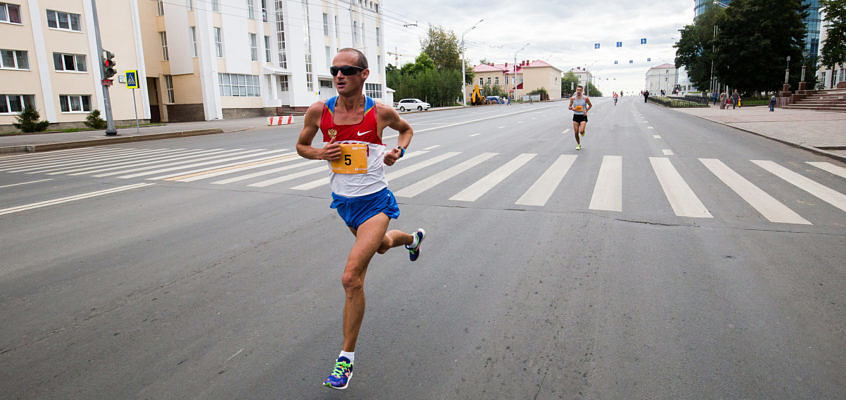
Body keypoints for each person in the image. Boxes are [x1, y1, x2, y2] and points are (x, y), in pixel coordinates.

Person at [296, 48, 426, 390]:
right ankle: (411, 240)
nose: (339, 75)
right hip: (344, 204)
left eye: (348, 70)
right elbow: (301, 146)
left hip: (376, 203)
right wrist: (319, 152)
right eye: (335, 70)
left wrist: (399, 151)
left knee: (351, 277)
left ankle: (345, 361)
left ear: (364, 75)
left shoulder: (380, 112)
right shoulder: (318, 111)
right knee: (382, 246)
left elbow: (407, 130)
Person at [568, 85, 592, 150]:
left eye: (580, 90)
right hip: (575, 116)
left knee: (581, 131)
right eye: (577, 90)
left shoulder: (585, 98)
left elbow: (590, 105)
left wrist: (586, 111)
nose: (578, 91)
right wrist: (572, 108)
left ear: (582, 91)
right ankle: (578, 144)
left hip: (583, 116)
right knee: (576, 132)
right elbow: (569, 107)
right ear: (576, 90)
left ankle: (582, 132)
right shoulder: (573, 98)